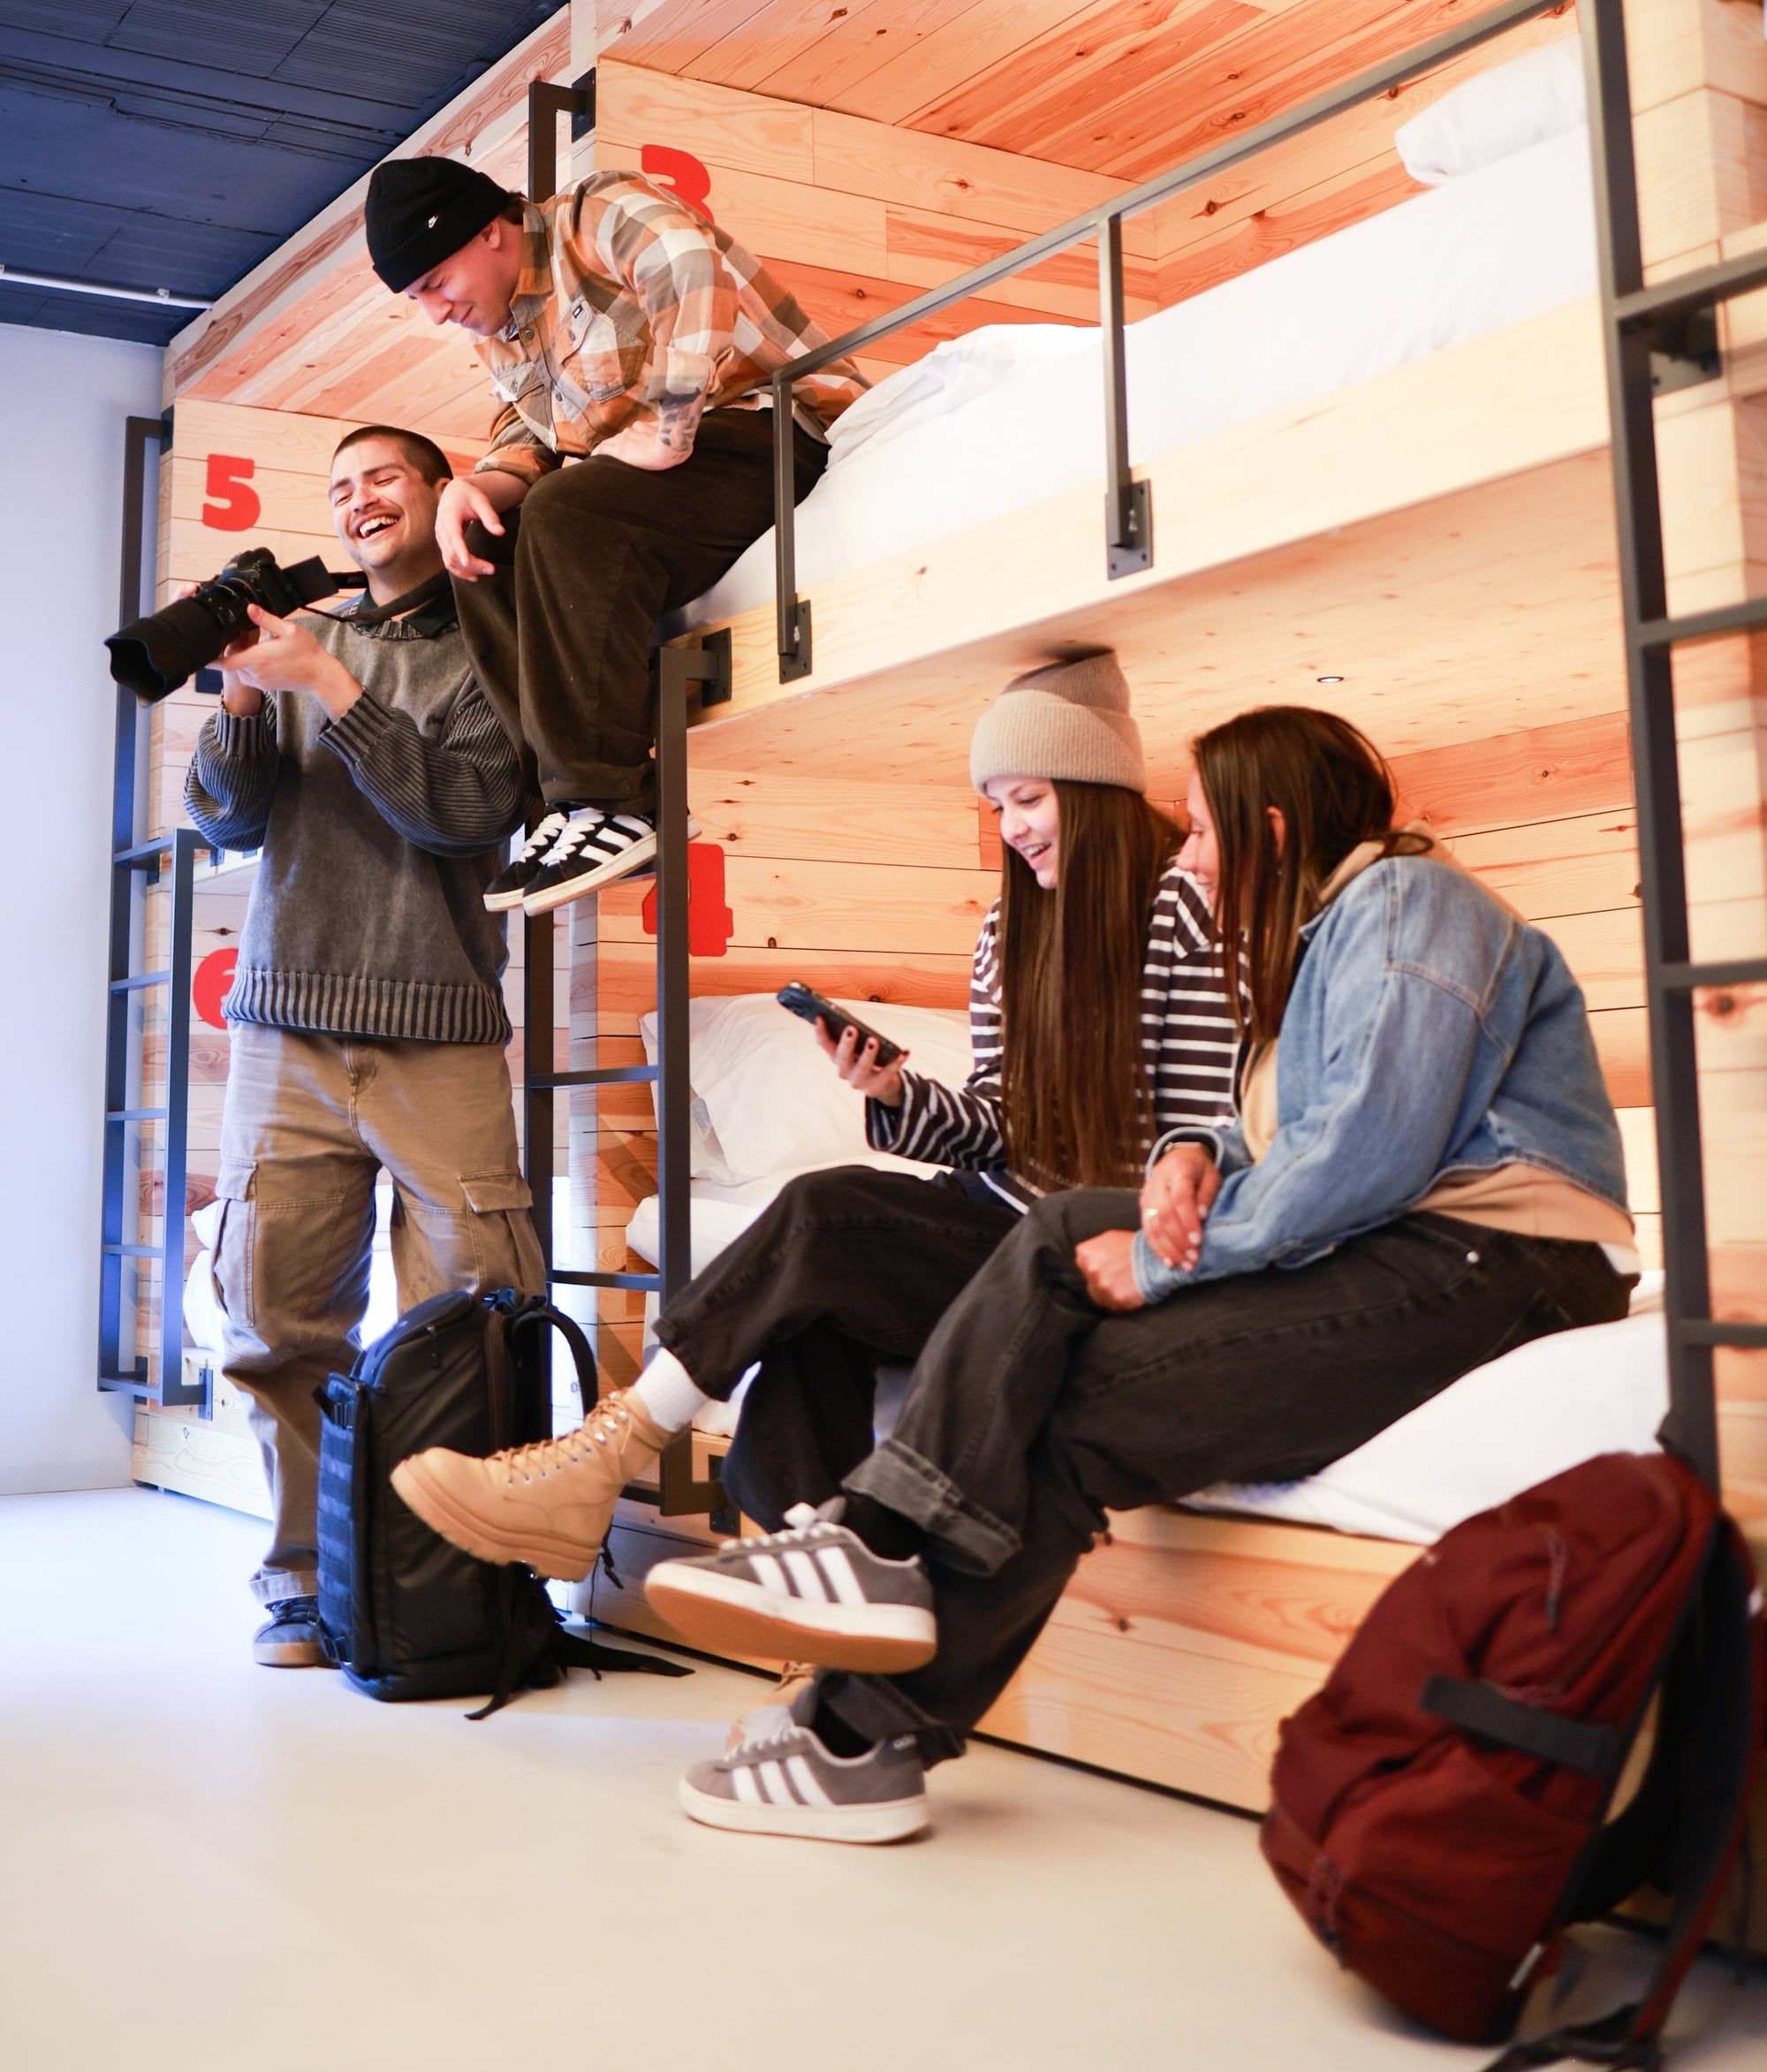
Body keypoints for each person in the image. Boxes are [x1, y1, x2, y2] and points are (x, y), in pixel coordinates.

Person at [641, 705, 1638, 1842]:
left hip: (1510, 1259)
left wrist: (1166, 1267)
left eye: (1203, 831)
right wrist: (1189, 1158)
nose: (1192, 855)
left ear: (1267, 829)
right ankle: (864, 1659)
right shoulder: (1319, 941)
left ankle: (861, 1682)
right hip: (1412, 1241)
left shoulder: (1409, 907)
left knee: (1062, 1346)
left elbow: (1356, 1155)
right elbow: (1262, 1126)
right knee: (1061, 1287)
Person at [389, 651, 1238, 1591]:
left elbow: (1199, 1122)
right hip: (998, 1214)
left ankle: (605, 1456)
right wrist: (889, 1096)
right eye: (996, 807)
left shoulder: (1178, 909)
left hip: (1090, 1245)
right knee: (812, 1317)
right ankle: (815, 1581)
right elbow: (997, 1126)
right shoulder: (1011, 933)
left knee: (824, 1215)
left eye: (1028, 798)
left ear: (1095, 782)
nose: (1013, 829)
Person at [184, 425, 538, 1669]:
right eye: (340, 488)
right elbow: (225, 818)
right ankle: (300, 1579)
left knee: (478, 1312)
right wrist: (238, 689)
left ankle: (458, 1581)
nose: (359, 499)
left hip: (436, 1027)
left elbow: (463, 809)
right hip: (285, 1027)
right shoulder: (298, 640)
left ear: (440, 493)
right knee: (276, 1319)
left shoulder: (496, 641)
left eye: (382, 475)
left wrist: (328, 689)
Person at [362, 155, 864, 915]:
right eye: (416, 298)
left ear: (491, 233)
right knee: (489, 541)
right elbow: (528, 426)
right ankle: (566, 808)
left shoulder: (593, 215)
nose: (434, 312)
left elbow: (692, 270)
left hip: (774, 431)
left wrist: (670, 426)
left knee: (564, 511)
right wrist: (478, 487)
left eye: (435, 283)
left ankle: (606, 799)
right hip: (661, 485)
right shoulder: (501, 329)